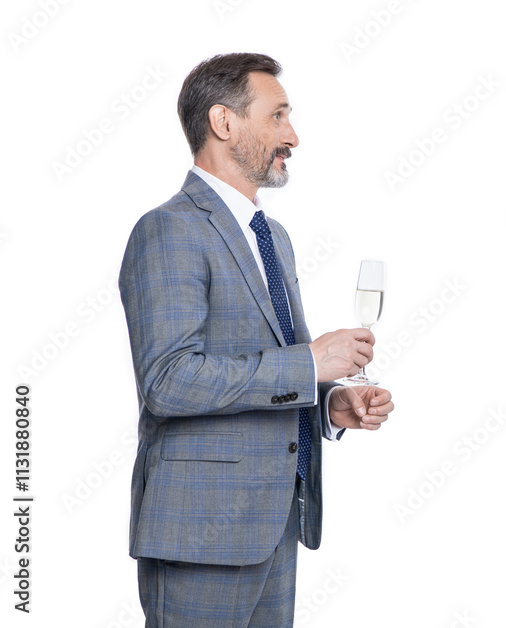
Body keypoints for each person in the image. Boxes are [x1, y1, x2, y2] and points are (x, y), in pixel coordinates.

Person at [119, 53, 394, 626]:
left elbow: (273, 367)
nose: (292, 136)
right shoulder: (168, 229)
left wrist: (327, 404)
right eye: (277, 116)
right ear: (224, 122)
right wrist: (309, 364)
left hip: (276, 524)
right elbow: (168, 381)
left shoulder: (273, 237)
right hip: (199, 533)